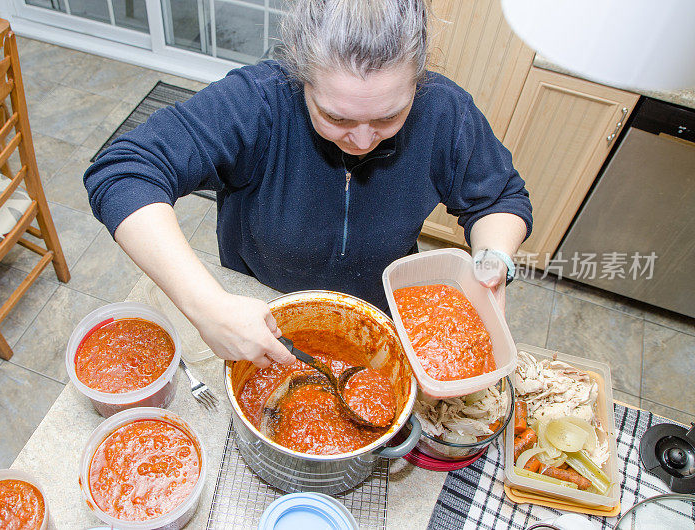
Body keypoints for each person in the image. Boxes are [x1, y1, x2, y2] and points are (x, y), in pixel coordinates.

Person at [84, 0, 532, 370]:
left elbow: (498, 197)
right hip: (261, 310)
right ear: (301, 77)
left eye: (388, 117)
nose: (360, 140)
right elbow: (123, 170)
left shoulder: (444, 112)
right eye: (335, 117)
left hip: (379, 315)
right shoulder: (259, 101)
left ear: (418, 82)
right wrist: (207, 307)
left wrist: (493, 257)